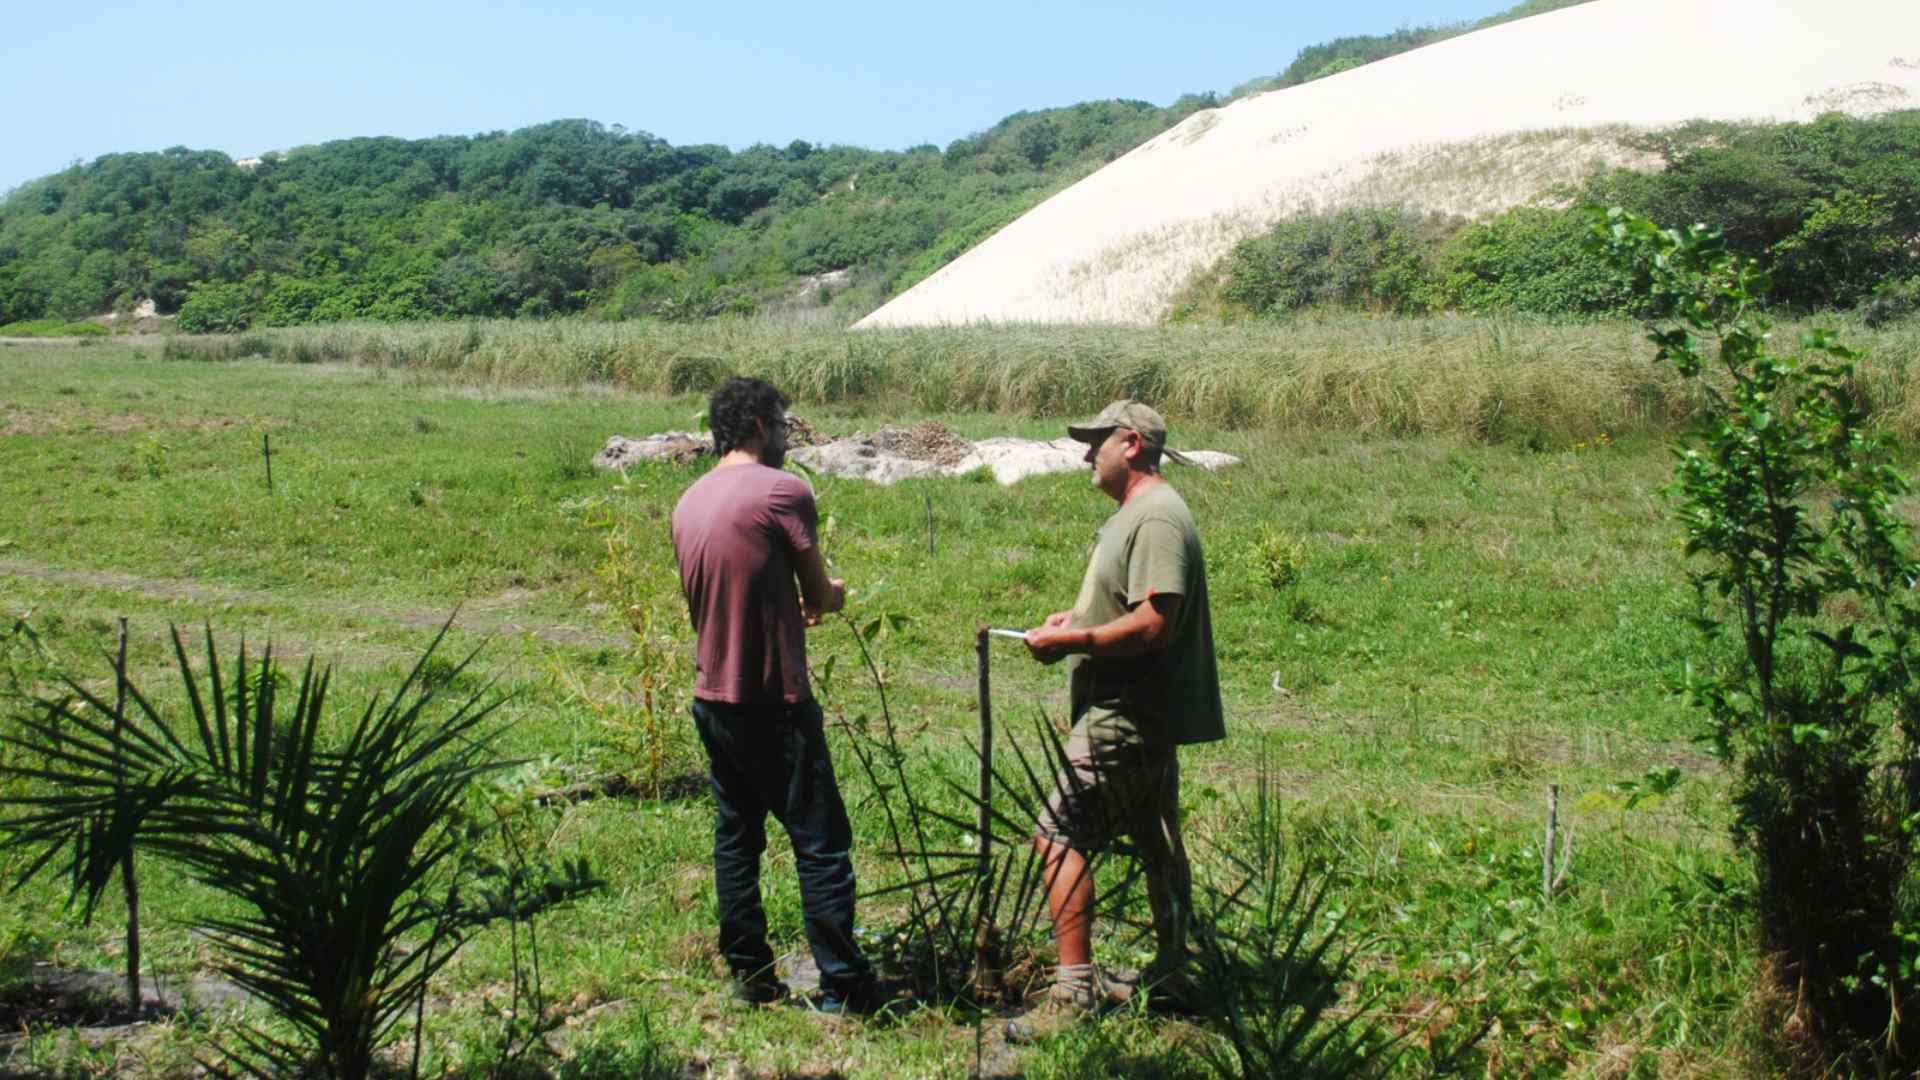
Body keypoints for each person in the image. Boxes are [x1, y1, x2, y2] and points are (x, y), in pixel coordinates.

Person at [669, 375, 878, 1013]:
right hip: (774, 699)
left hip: (713, 695)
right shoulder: (784, 491)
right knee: (819, 839)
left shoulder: (688, 501)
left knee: (736, 835)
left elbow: (723, 593)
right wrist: (829, 599)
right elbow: (818, 594)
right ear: (759, 425)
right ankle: (843, 984)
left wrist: (785, 605)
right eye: (784, 425)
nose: (788, 437)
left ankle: (750, 976)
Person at [1017, 399, 1224, 1033]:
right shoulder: (1136, 514)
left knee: (1058, 836)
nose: (1087, 453)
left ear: (1131, 443)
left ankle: (1073, 992)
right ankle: (1173, 970)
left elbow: (1154, 622)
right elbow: (1126, 605)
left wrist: (1073, 644)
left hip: (1125, 712)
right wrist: (1073, 620)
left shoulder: (1157, 516)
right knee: (1152, 840)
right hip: (1135, 710)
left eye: (1096, 442)